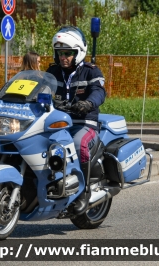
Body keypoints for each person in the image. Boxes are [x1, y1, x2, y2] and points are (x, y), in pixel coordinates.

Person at [46, 26, 106, 215]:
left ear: (78, 53)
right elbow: (39, 88)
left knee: (79, 145)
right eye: (60, 53)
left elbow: (99, 92)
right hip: (58, 122)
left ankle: (83, 192)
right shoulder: (53, 72)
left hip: (84, 123)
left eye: (67, 53)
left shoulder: (91, 72)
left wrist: (88, 103)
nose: (63, 57)